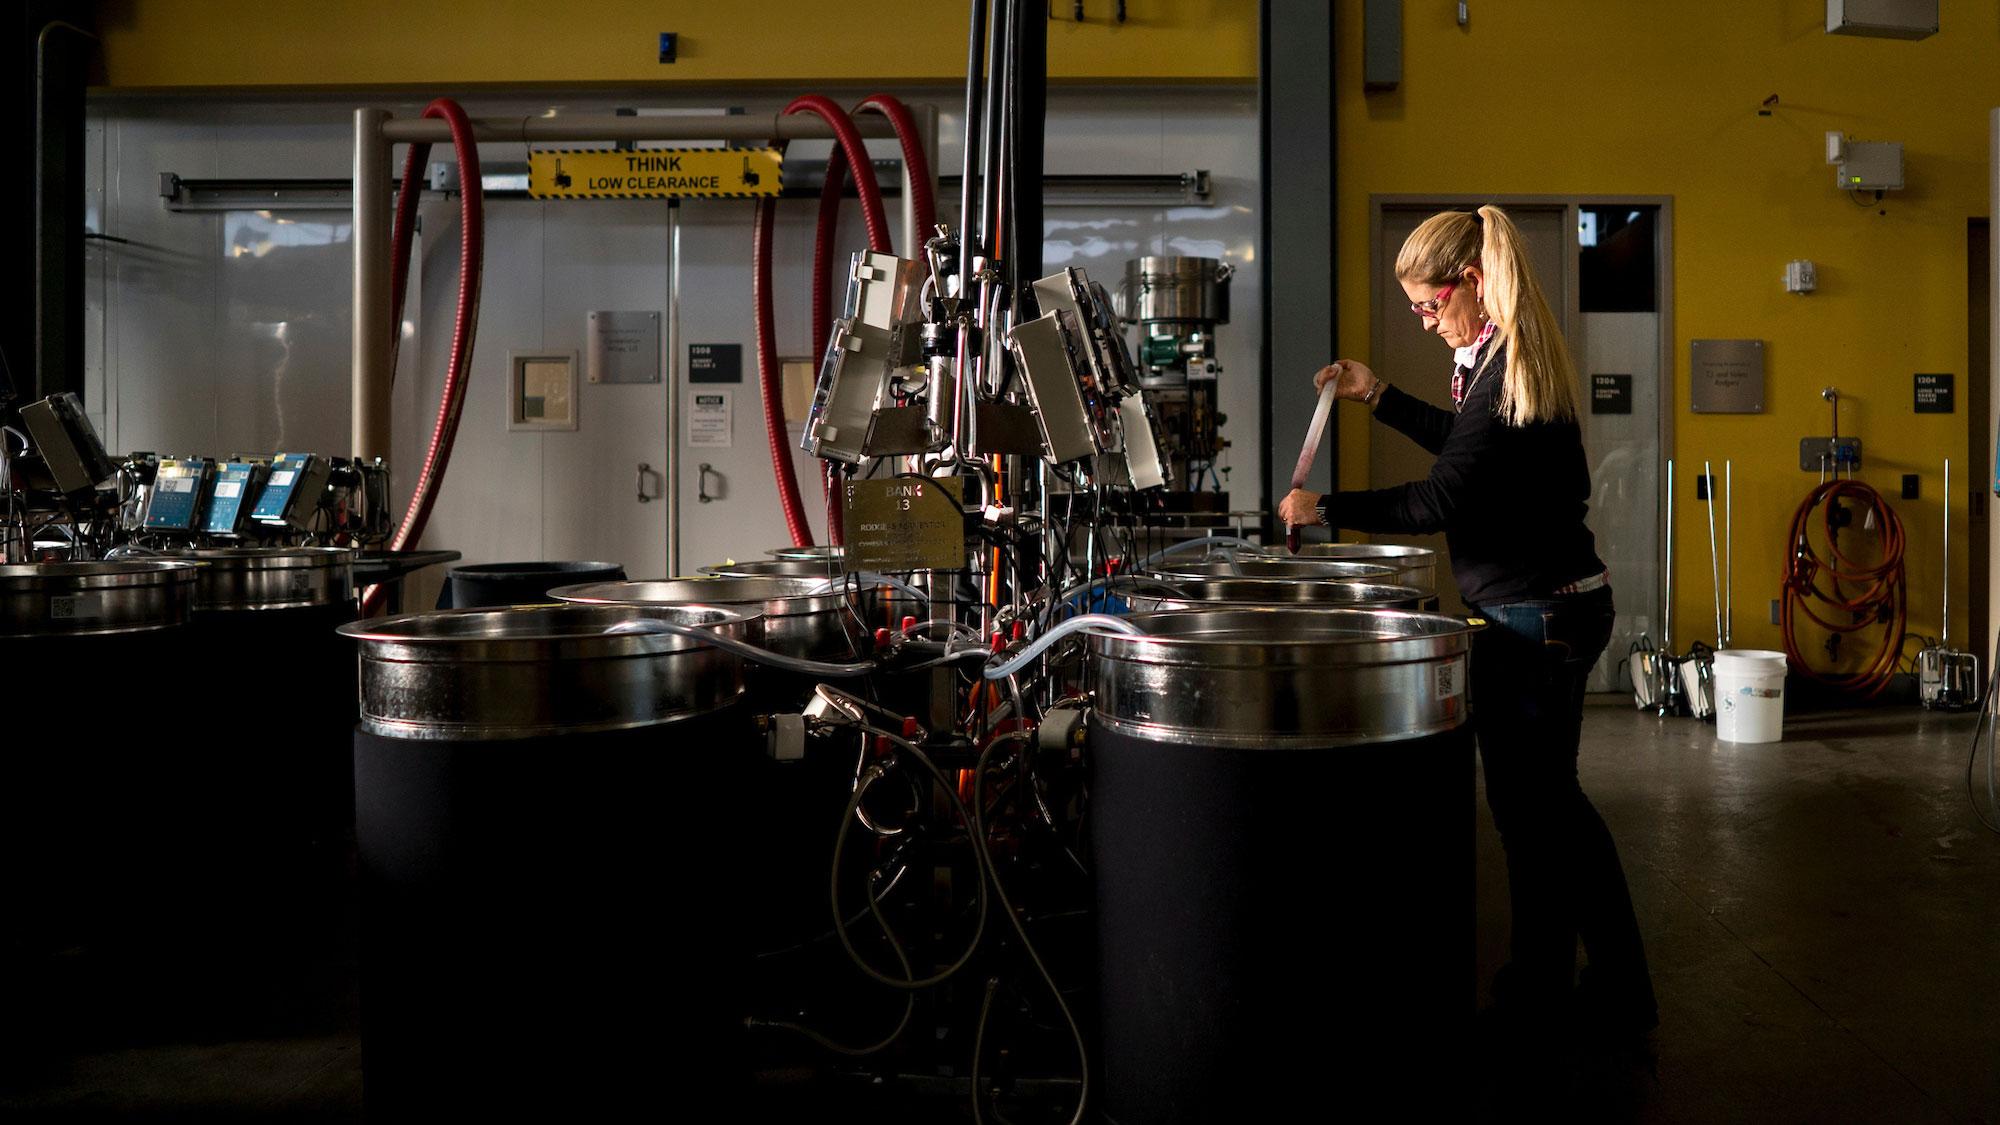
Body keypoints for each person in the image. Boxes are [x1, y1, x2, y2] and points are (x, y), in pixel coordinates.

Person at [1277, 205, 1658, 1061]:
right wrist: (1377, 394)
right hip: (1553, 607)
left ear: (1472, 283)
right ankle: (1596, 981)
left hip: (1538, 618)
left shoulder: (1501, 369)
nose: (1425, 318)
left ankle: (1548, 992)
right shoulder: (1502, 361)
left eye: (1428, 304)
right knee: (1553, 810)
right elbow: (1466, 453)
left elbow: (1441, 497)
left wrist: (1325, 507)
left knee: (1535, 815)